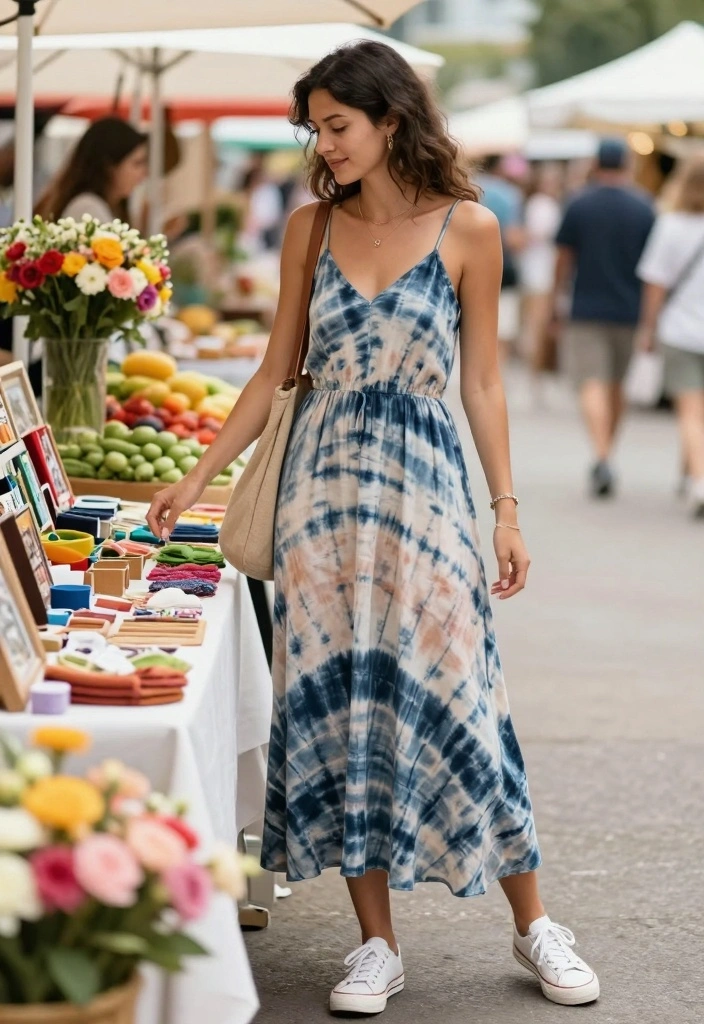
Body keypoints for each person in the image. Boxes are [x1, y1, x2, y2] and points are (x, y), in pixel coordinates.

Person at [146, 40, 599, 1014]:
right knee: (340, 704)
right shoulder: (307, 229)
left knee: (464, 694)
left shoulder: (470, 229)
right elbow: (273, 372)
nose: (324, 143)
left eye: (337, 124)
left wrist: (504, 507)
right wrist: (195, 479)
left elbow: (483, 381)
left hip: (429, 494)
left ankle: (532, 923)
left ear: (390, 117)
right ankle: (374, 943)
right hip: (319, 503)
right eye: (314, 128)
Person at [553, 138, 654, 497]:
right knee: (616, 385)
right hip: (630, 307)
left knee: (591, 382)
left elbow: (563, 258)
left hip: (587, 307)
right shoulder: (645, 206)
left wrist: (556, 299)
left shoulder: (579, 203)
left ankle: (602, 455)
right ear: (626, 164)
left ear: (597, 164)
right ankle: (607, 454)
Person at [636, 155, 704, 519]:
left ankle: (697, 479)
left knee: (691, 411)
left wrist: (648, 328)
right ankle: (693, 474)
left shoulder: (671, 224)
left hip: (681, 329)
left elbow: (655, 284)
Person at [34, 116, 148, 223]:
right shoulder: (88, 209)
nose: (144, 173)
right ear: (109, 166)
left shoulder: (104, 207)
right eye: (137, 164)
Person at [475, 154, 525, 359]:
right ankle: (496, 376)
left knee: (474, 326)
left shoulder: (469, 189)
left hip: (471, 268)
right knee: (502, 329)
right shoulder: (510, 195)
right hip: (504, 269)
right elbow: (514, 238)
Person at [520, 163, 564, 390]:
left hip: (537, 271)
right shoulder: (543, 205)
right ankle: (534, 377)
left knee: (536, 324)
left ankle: (535, 375)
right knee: (538, 325)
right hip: (541, 273)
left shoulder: (539, 204)